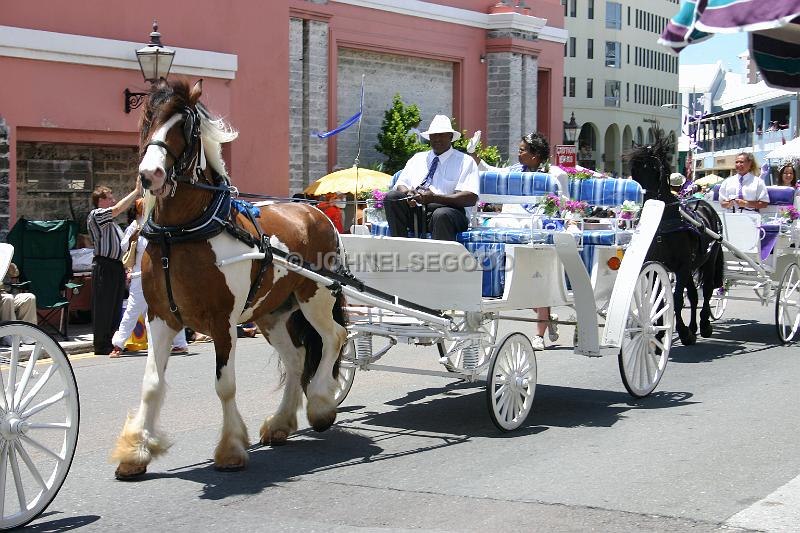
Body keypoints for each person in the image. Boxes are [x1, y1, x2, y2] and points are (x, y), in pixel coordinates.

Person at [472, 131, 562, 350]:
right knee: (525, 284)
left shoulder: (553, 174)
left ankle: (539, 335)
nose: (518, 153)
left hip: (537, 227)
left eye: (522, 150)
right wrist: (474, 155)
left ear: (535, 154)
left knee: (538, 280)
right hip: (509, 225)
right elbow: (489, 171)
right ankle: (546, 315)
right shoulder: (514, 171)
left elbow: (561, 203)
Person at [110, 199, 188, 358]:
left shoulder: (159, 223)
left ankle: (180, 344)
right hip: (140, 275)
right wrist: (133, 236)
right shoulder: (135, 225)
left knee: (169, 308)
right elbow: (124, 246)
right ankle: (118, 344)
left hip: (159, 274)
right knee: (133, 310)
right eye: (143, 207)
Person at [385, 114, 479, 241]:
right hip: (419, 212)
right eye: (434, 135)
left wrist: (435, 198)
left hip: (450, 213)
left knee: (441, 215)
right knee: (392, 197)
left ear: (451, 137)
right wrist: (408, 193)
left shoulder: (465, 161)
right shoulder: (417, 158)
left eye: (441, 134)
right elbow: (402, 184)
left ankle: (439, 259)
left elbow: (470, 198)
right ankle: (401, 249)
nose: (437, 139)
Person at [87, 178, 142, 356]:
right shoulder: (96, 215)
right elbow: (118, 208)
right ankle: (101, 344)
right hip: (104, 265)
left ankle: (111, 341)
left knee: (114, 306)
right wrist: (136, 191)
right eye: (109, 197)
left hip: (116, 267)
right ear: (101, 200)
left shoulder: (112, 225)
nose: (112, 200)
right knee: (104, 306)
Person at [0, 263, 37, 345]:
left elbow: (15, 275)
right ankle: (9, 335)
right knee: (8, 298)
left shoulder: (4, 259)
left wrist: (11, 267)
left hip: (6, 294)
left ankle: (28, 334)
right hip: (4, 297)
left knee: (29, 297)